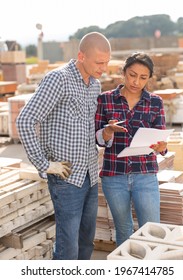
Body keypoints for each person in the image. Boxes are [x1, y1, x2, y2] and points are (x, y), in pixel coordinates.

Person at [16, 32, 111, 260]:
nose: (104, 68)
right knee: (68, 247)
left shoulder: (95, 85)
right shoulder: (59, 79)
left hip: (90, 174)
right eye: (99, 62)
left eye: (106, 63)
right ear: (81, 55)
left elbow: (87, 130)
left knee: (86, 241)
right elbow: (25, 120)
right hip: (66, 179)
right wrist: (44, 164)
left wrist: (105, 133)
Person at [95, 52, 167, 246]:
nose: (136, 81)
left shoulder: (155, 102)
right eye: (132, 75)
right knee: (124, 229)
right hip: (114, 175)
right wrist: (108, 132)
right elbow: (98, 138)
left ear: (149, 79)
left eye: (143, 78)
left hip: (145, 174)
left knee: (152, 230)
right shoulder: (105, 100)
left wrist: (161, 146)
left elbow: (161, 140)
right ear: (123, 72)